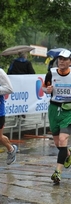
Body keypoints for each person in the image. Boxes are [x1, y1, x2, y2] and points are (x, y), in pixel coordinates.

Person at [42, 49, 71, 185]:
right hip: (54, 109)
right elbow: (43, 88)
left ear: (70, 61)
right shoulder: (51, 73)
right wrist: (46, 90)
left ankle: (57, 172)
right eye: (60, 59)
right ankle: (67, 154)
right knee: (59, 144)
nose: (61, 61)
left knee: (63, 138)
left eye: (65, 59)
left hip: (69, 111)